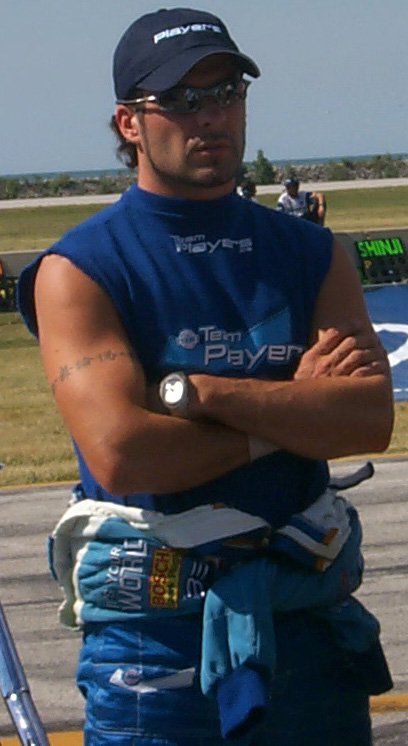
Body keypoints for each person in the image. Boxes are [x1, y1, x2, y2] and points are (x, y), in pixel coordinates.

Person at [17, 7, 394, 746]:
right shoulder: (79, 269)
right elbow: (124, 453)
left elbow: (365, 420)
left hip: (308, 626)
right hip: (153, 649)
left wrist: (208, 397)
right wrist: (290, 412)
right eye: (182, 101)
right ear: (130, 123)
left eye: (225, 91)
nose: (210, 116)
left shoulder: (313, 254)